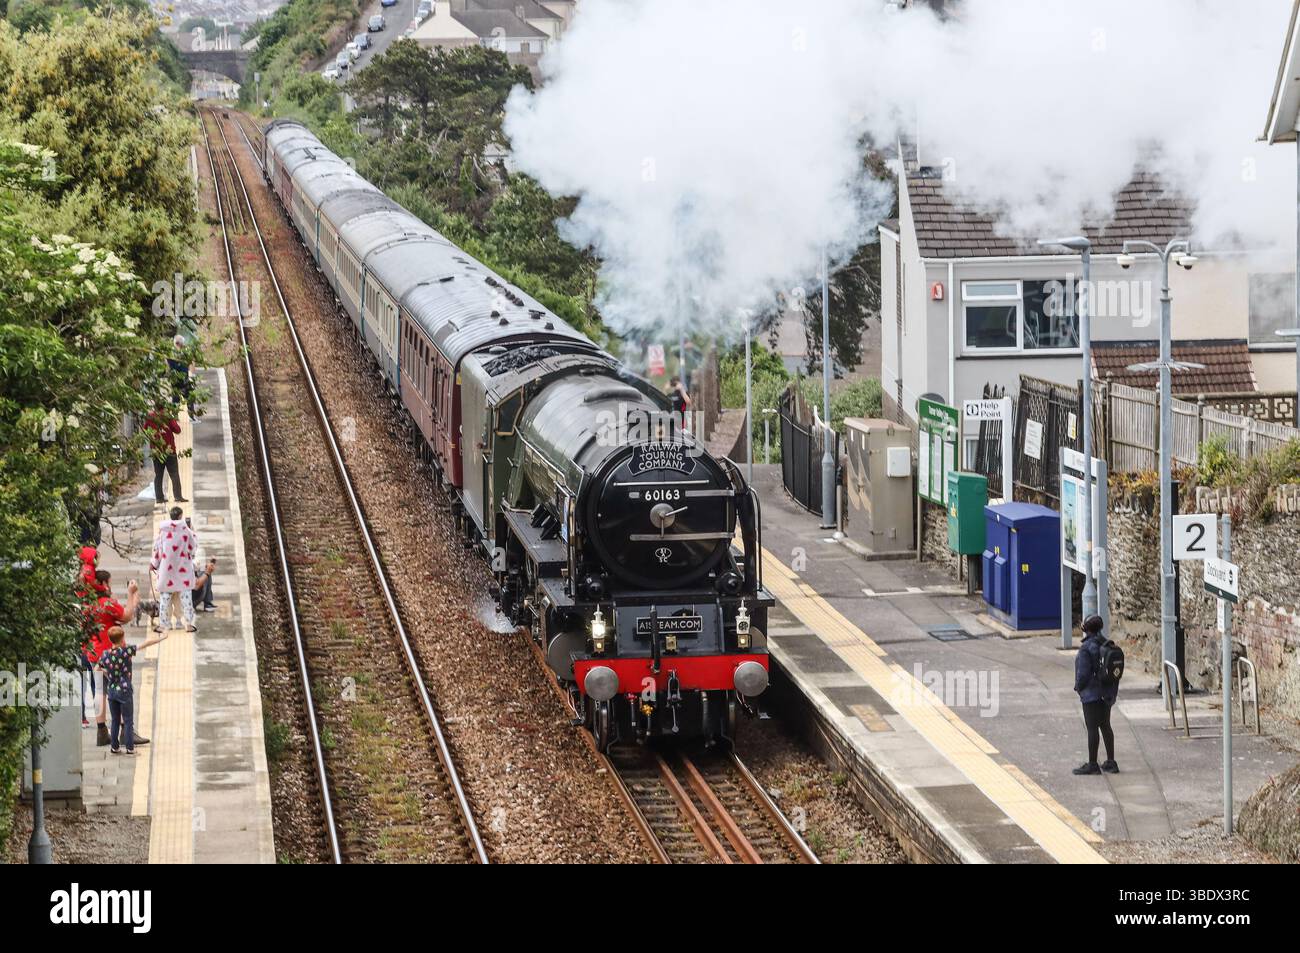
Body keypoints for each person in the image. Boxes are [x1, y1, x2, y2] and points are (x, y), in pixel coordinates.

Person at [86, 570, 140, 746]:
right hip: (112, 653)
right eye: (108, 583)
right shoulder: (106, 603)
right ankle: (126, 731)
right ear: (103, 584)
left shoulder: (87, 603)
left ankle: (102, 732)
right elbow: (127, 616)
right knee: (122, 687)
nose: (110, 586)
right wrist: (131, 594)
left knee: (99, 691)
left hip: (94, 652)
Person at [98, 626, 168, 756]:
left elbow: (97, 668)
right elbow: (145, 644)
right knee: (128, 719)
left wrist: (109, 675)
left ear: (109, 639)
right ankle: (130, 748)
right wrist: (162, 637)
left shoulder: (105, 654)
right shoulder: (125, 651)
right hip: (124, 690)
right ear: (122, 638)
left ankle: (115, 747)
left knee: (115, 720)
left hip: (112, 691)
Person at [1073, 614, 1119, 775]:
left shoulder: (1086, 648)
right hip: (1106, 693)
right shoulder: (1107, 644)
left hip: (1091, 695)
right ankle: (1111, 762)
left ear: (1086, 629)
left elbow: (1083, 674)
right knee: (1105, 726)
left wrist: (1078, 687)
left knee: (1092, 728)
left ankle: (1093, 764)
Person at [150, 506, 199, 633]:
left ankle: (163, 625)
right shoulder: (186, 531)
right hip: (183, 568)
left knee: (164, 599)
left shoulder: (163, 531)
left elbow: (157, 550)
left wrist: (153, 564)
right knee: (186, 599)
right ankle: (188, 624)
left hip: (167, 571)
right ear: (180, 516)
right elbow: (193, 547)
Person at [144, 407, 186, 504]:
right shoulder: (167, 416)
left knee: (158, 475)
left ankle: (159, 498)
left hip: (156, 451)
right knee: (174, 474)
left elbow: (145, 429)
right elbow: (177, 430)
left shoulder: (150, 416)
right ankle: (178, 496)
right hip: (169, 450)